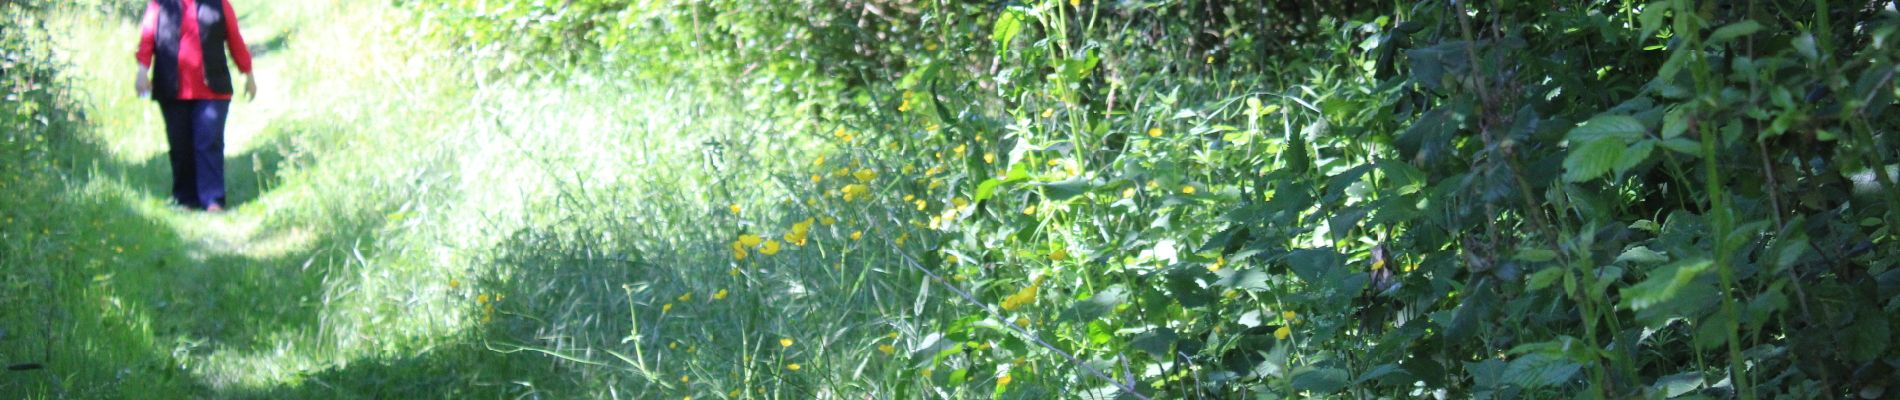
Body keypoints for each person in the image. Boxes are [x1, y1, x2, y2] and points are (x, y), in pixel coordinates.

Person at [133, 0, 257, 212]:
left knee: (209, 141)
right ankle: (185, 199)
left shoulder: (219, 4)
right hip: (172, 89)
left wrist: (248, 74)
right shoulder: (159, 4)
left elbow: (235, 40)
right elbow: (147, 37)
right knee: (180, 146)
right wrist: (142, 70)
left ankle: (213, 200)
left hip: (213, 90)